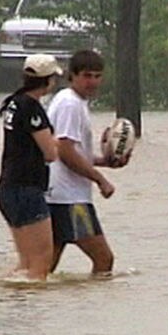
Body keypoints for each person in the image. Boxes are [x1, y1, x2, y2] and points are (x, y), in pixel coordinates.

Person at [46, 49, 129, 276]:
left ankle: (30, 306)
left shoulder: (72, 101)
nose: (92, 82)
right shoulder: (70, 105)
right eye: (86, 75)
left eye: (97, 76)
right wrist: (100, 179)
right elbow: (64, 150)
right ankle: (94, 310)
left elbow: (73, 150)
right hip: (70, 199)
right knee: (104, 259)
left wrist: (103, 161)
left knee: (42, 271)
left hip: (57, 195)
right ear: (72, 75)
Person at [0, 54, 63, 281]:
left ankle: (18, 303)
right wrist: (57, 141)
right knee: (42, 260)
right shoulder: (32, 109)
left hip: (7, 189)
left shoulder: (14, 102)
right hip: (27, 190)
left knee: (25, 263)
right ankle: (34, 309)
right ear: (48, 81)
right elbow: (50, 154)